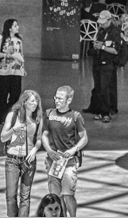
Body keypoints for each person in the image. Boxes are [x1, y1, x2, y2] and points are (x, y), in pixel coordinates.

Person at [41, 86, 88, 217]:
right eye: (56, 98)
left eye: (60, 99)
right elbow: (44, 134)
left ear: (69, 100)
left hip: (69, 162)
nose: (56, 101)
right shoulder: (49, 114)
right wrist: (49, 150)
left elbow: (84, 138)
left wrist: (73, 150)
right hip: (53, 161)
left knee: (68, 194)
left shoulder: (75, 117)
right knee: (55, 196)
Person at [1, 90, 43, 217]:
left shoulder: (38, 118)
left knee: (25, 196)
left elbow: (39, 139)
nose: (35, 104)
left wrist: (35, 150)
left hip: (28, 160)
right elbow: (2, 137)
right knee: (11, 195)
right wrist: (13, 130)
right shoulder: (13, 116)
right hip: (12, 159)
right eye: (32, 101)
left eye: (36, 101)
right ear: (24, 102)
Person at [90, 10, 121, 123]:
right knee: (98, 88)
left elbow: (116, 50)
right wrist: (96, 46)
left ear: (109, 20)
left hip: (108, 64)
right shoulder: (100, 31)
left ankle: (106, 112)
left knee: (105, 89)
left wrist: (102, 47)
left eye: (103, 22)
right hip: (97, 63)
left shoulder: (115, 33)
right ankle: (100, 110)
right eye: (100, 22)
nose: (101, 25)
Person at [0, 19, 26, 124]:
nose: (17, 27)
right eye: (15, 26)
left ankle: (8, 113)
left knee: (15, 94)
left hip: (16, 71)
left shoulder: (19, 40)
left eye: (17, 25)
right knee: (3, 94)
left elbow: (21, 54)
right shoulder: (1, 38)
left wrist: (23, 68)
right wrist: (6, 55)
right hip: (3, 71)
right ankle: (1, 117)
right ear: (9, 28)